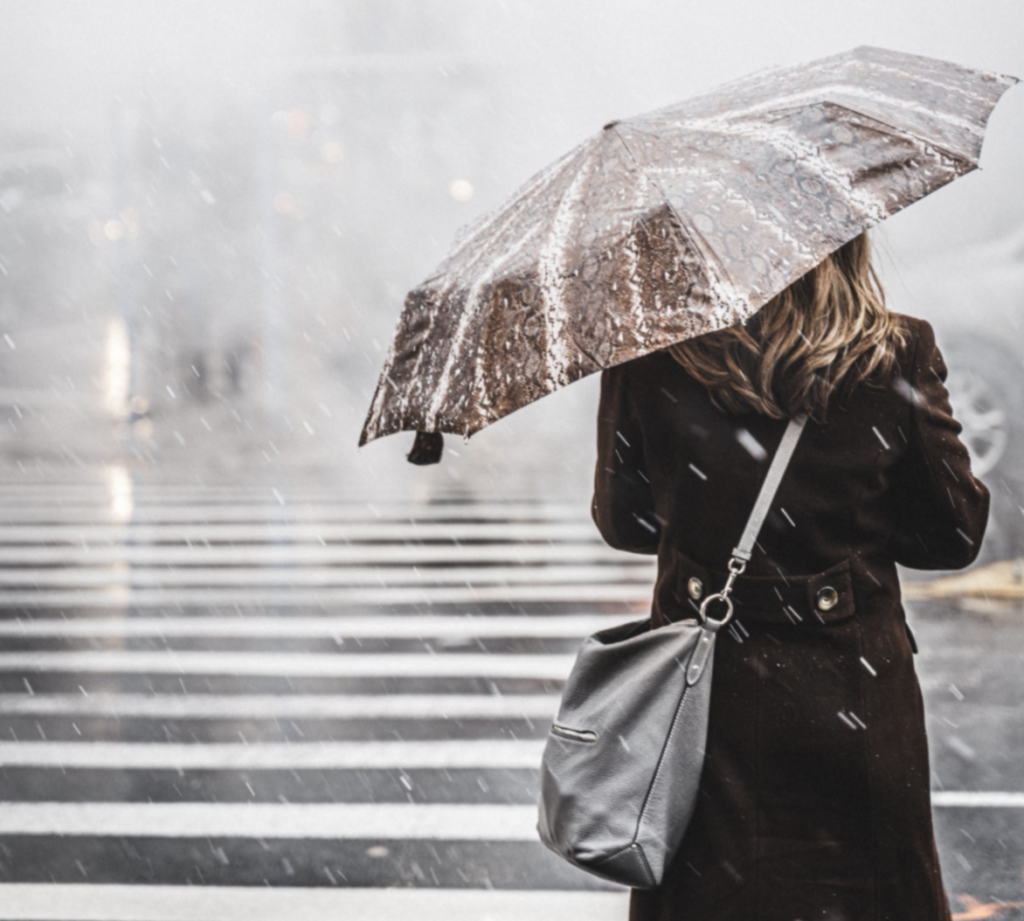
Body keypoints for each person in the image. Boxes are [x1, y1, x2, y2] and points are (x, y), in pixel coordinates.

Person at [591, 232, 989, 921]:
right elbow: (952, 535)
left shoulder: (649, 357)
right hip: (851, 697)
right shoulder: (893, 354)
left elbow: (624, 522)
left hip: (701, 703)